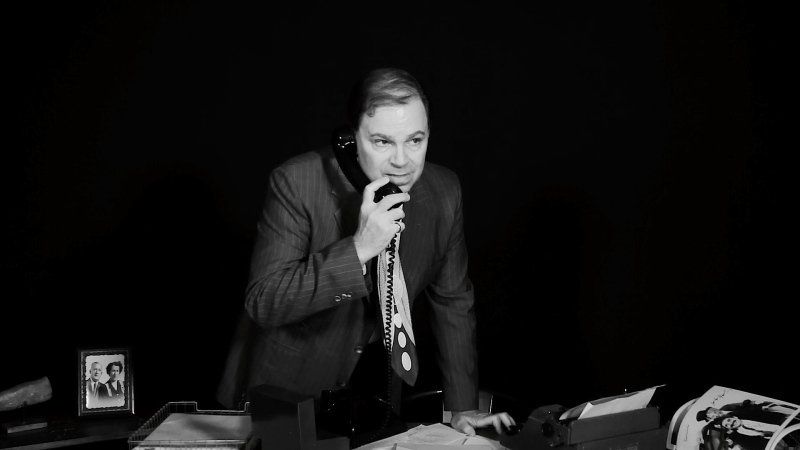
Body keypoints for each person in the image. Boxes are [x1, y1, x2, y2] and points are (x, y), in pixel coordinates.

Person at [217, 68, 514, 437]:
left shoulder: (444, 191)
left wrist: (461, 406)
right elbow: (264, 301)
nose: (402, 161)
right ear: (350, 139)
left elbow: (453, 301)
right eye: (382, 142)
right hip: (286, 397)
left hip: (379, 398)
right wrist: (359, 249)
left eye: (415, 140)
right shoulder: (296, 182)